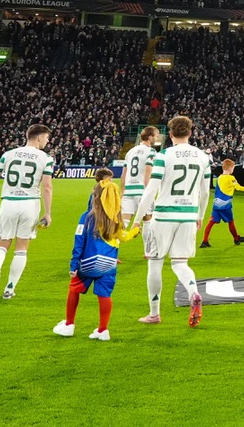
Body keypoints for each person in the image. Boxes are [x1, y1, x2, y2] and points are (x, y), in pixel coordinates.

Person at [133, 115, 212, 327]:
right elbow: (205, 193)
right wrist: (200, 215)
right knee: (180, 263)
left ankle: (154, 313)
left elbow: (151, 189)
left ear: (170, 134)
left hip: (164, 215)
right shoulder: (203, 157)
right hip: (188, 215)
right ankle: (193, 292)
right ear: (191, 132)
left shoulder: (163, 156)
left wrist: (138, 219)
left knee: (155, 263)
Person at [52, 169, 141, 341]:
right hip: (109, 263)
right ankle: (103, 330)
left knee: (74, 288)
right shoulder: (116, 219)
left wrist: (73, 265)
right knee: (105, 295)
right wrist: (136, 231)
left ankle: (69, 324)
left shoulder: (87, 217)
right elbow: (122, 237)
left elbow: (79, 241)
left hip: (89, 262)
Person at [0, 123, 55, 301]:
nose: (47, 141)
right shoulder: (45, 158)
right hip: (30, 204)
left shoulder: (8, 154)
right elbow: (47, 187)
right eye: (46, 138)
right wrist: (48, 213)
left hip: (8, 203)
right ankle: (9, 288)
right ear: (38, 137)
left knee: (1, 245)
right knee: (21, 250)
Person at [121, 126, 159, 239]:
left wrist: (122, 191)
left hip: (128, 191)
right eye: (156, 136)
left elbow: (124, 174)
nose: (157, 138)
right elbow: (148, 170)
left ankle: (112, 252)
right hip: (142, 190)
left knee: (123, 223)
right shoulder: (151, 151)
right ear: (150, 137)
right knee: (148, 221)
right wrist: (148, 190)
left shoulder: (130, 151)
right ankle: (147, 253)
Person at [200, 158, 244, 247]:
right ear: (230, 168)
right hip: (225, 205)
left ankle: (205, 241)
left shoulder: (219, 178)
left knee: (211, 222)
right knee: (231, 221)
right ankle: (236, 239)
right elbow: (238, 188)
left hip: (216, 205)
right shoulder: (231, 178)